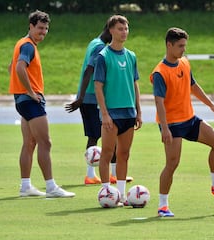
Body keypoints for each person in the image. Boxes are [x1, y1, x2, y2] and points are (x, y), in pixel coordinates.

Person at [150, 27, 214, 217]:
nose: (184, 49)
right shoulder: (160, 72)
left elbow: (193, 86)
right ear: (169, 45)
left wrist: (212, 106)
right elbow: (158, 102)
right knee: (172, 164)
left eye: (185, 45)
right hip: (172, 125)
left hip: (189, 120)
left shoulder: (184, 62)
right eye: (180, 46)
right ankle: (162, 206)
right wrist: (164, 128)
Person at [8, 10, 75, 198]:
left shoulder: (22, 44)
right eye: (40, 28)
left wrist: (21, 89)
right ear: (30, 26)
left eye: (46, 29)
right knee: (46, 142)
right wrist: (30, 92)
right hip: (30, 100)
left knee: (29, 143)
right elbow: (20, 67)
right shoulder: (28, 46)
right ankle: (51, 186)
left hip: (21, 100)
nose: (43, 32)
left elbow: (11, 67)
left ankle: (25, 186)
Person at [65, 23, 133, 185]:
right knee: (95, 136)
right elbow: (89, 70)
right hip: (90, 98)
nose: (121, 34)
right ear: (109, 31)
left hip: (91, 97)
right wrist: (81, 97)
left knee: (107, 136)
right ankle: (91, 175)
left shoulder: (94, 42)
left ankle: (113, 174)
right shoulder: (99, 48)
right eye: (118, 30)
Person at [94, 15, 142, 205]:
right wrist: (104, 114)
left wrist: (138, 111)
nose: (124, 32)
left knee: (124, 154)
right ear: (111, 30)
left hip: (129, 112)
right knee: (107, 153)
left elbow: (135, 84)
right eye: (120, 28)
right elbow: (98, 86)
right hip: (111, 113)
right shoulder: (103, 56)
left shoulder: (131, 56)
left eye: (126, 28)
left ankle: (121, 195)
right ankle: (106, 192)